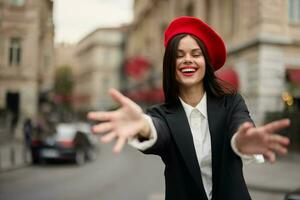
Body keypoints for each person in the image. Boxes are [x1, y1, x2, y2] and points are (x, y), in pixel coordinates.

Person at [87, 16, 290, 200]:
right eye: (179, 55)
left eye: (196, 53)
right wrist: (143, 125)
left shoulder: (232, 102)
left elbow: (239, 127)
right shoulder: (160, 115)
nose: (188, 60)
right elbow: (158, 131)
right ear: (170, 64)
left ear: (206, 62)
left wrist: (241, 141)